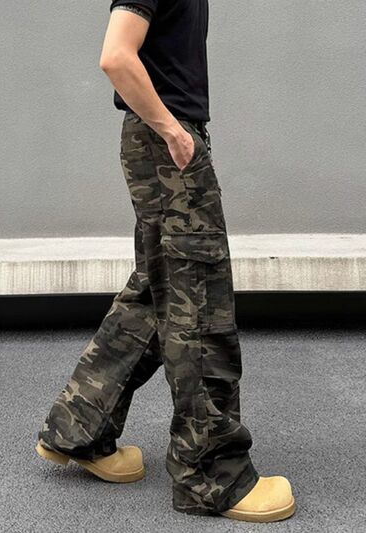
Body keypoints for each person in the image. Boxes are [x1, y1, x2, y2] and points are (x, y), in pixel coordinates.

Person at [35, 0, 296, 523]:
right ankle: (212, 475)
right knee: (197, 299)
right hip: (167, 143)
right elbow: (116, 56)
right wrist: (174, 132)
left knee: (159, 292)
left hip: (162, 141)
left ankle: (80, 426)